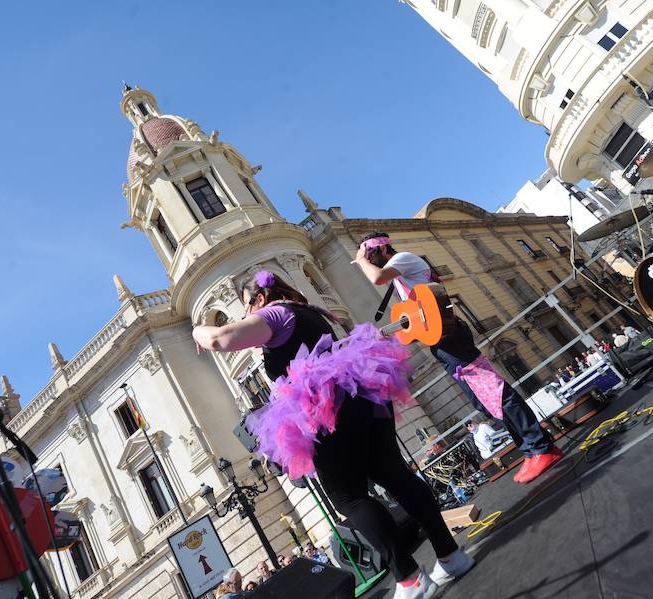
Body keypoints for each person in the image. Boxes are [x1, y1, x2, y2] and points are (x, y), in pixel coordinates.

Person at [192, 271, 473, 599]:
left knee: (348, 497)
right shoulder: (312, 311)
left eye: (245, 308)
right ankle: (451, 556)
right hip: (364, 397)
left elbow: (219, 340)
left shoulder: (274, 313)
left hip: (328, 411)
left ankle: (410, 578)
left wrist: (198, 331)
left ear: (258, 299)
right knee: (395, 474)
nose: (246, 316)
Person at [351, 232, 562, 485]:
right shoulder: (402, 280)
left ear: (383, 250)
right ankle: (532, 449)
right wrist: (393, 331)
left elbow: (376, 278)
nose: (371, 263)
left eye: (372, 257)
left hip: (451, 339)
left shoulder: (404, 259)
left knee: (495, 392)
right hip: (442, 342)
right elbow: (420, 318)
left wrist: (359, 259)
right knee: (484, 402)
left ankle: (540, 448)